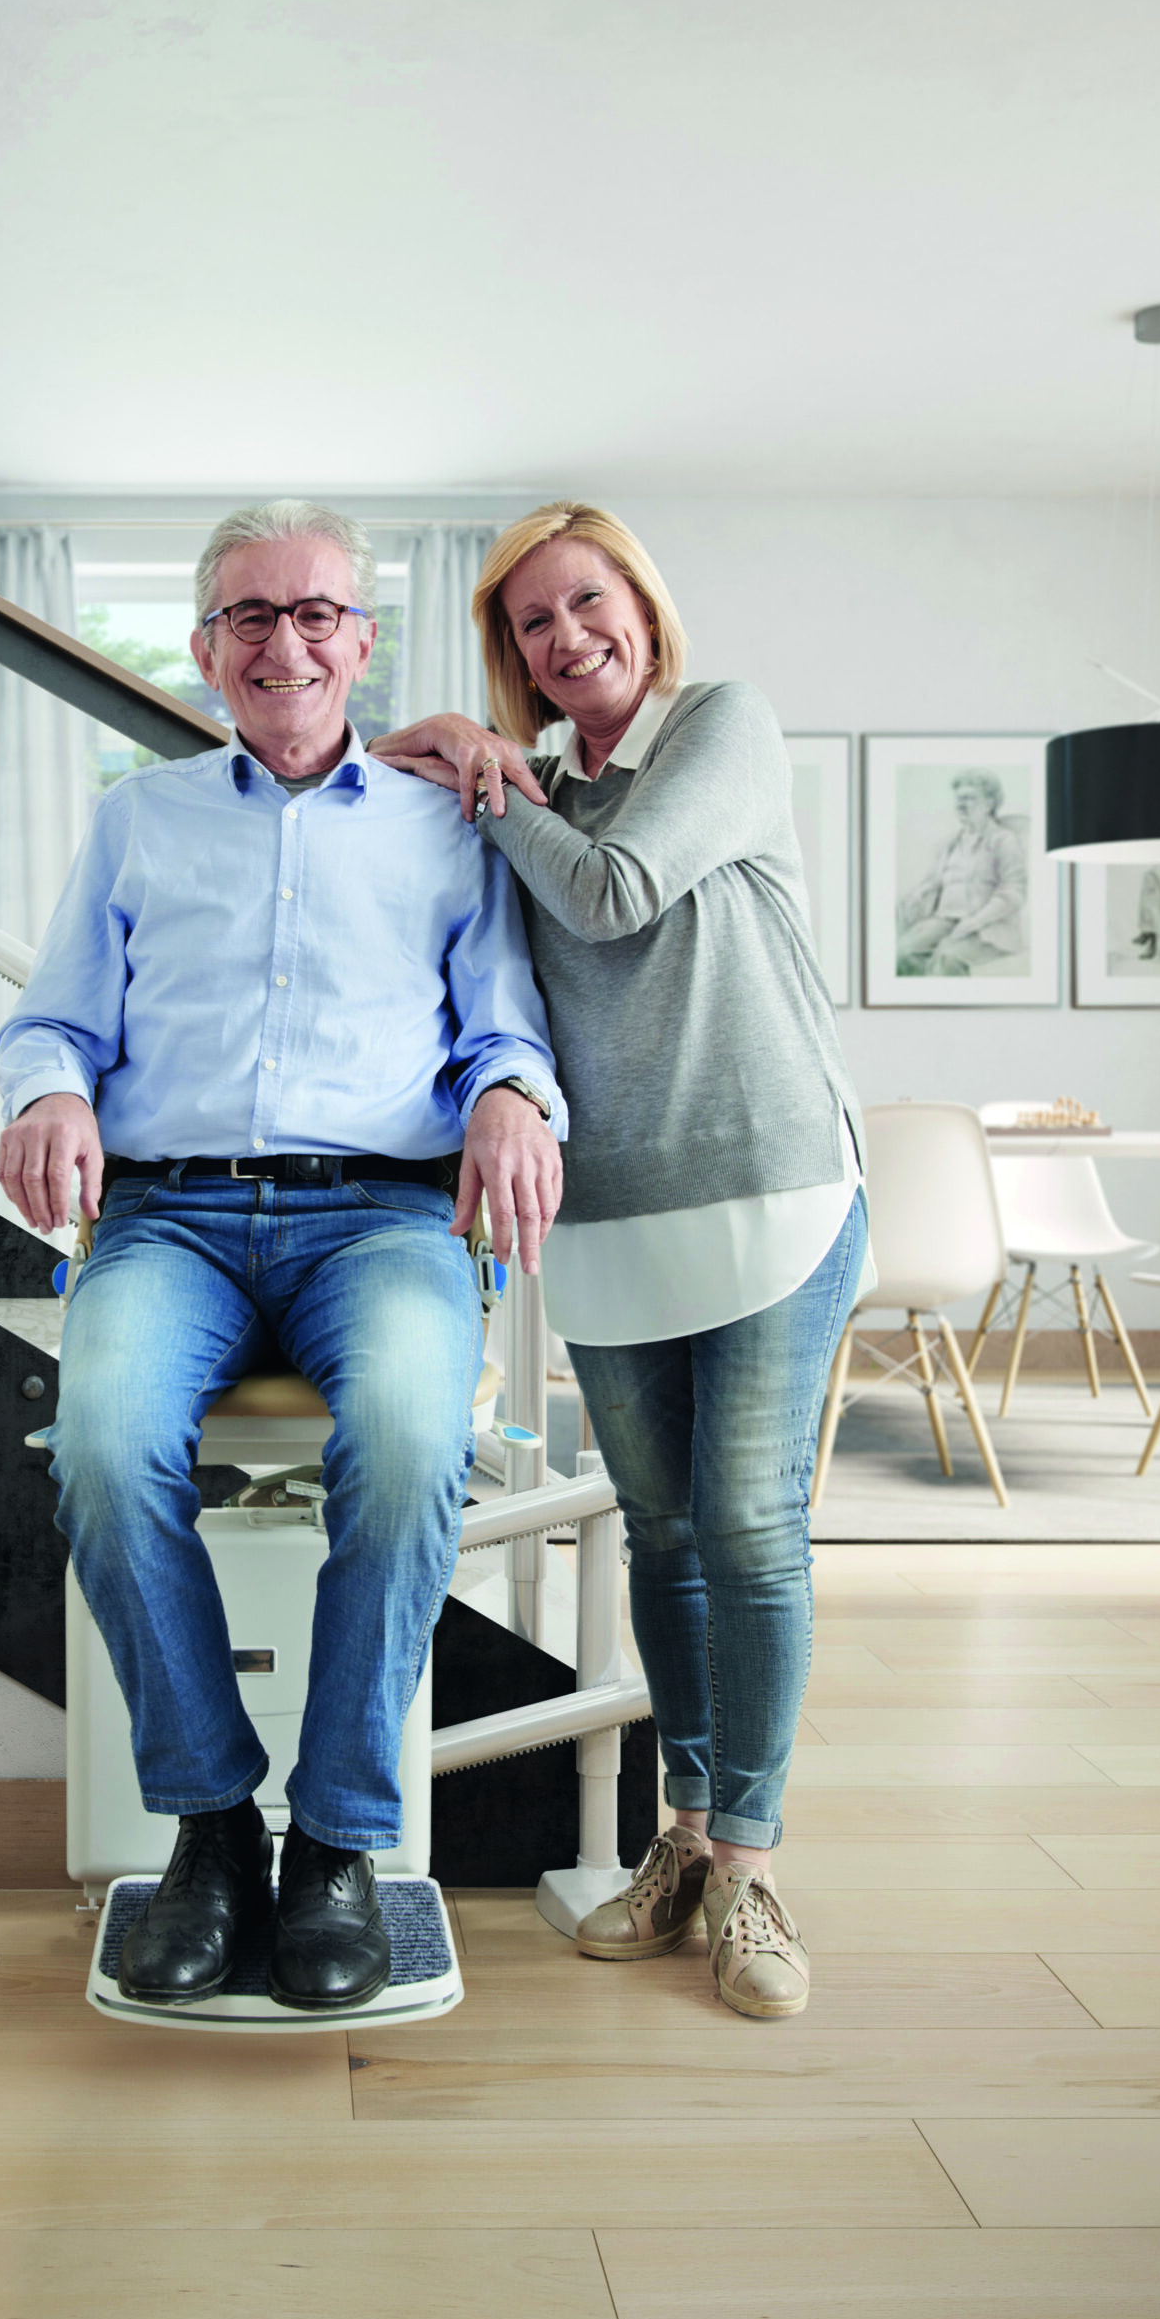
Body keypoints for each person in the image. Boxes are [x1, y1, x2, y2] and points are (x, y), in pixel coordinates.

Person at [0, 499, 565, 2014]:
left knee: (404, 1438)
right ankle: (208, 1830)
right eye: (251, 615)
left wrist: (513, 1091)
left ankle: (336, 1842)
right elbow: (54, 1014)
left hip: (382, 1215)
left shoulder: (454, 820)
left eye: (317, 612)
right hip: (169, 1217)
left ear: (363, 643)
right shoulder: (138, 815)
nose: (285, 639)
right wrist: (50, 1083)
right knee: (105, 1448)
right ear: (203, 650)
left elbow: (502, 1015)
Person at [372, 501, 866, 2020]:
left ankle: (754, 1864)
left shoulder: (722, 725)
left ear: (641, 606)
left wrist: (475, 765)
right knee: (657, 1532)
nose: (567, 635)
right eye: (531, 623)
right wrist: (458, 763)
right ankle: (687, 1837)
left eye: (587, 601)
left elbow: (616, 890)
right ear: (512, 652)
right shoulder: (526, 788)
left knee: (748, 1522)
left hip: (774, 1188)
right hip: (606, 1214)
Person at [895, 770, 1026, 977]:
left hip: (987, 927)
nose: (960, 805)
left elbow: (1014, 892)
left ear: (990, 804)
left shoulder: (1003, 841)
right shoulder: (949, 844)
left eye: (970, 798)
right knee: (902, 951)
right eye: (958, 799)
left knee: (947, 957)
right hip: (944, 921)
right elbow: (933, 883)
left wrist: (975, 921)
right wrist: (915, 896)